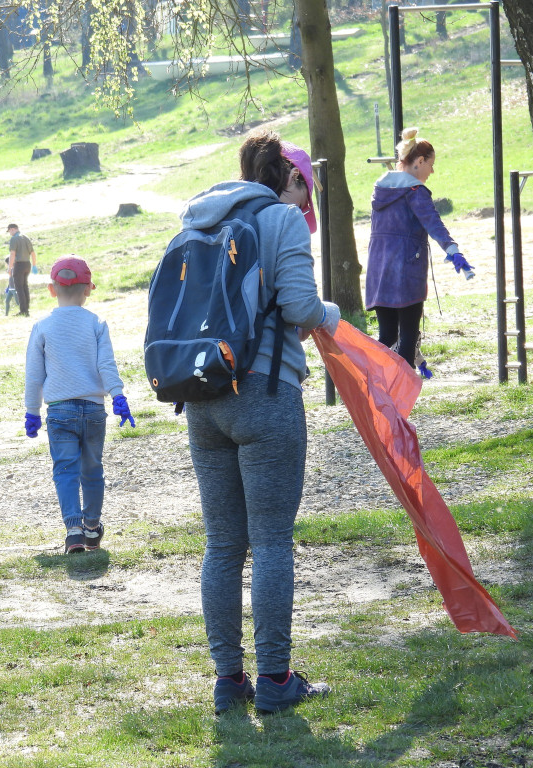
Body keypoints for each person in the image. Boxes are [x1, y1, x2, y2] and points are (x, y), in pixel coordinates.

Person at [178, 128, 337, 716]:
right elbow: (299, 309)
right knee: (271, 540)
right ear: (293, 178)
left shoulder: (199, 218)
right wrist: (334, 313)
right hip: (266, 394)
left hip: (203, 396)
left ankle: (229, 680)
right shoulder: (281, 221)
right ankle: (274, 677)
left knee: (222, 544)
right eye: (306, 188)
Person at [23, 257, 135, 555]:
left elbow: (35, 375)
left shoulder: (42, 327)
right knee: (92, 469)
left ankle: (72, 529)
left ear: (51, 289)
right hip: (94, 410)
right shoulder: (96, 324)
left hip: (59, 411)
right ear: (88, 290)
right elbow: (106, 365)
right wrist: (118, 396)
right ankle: (92, 526)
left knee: (65, 470)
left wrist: (32, 411)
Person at [366, 126, 474, 368]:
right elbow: (433, 222)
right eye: (431, 164)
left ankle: (378, 391)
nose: (432, 171)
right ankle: (399, 398)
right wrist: (453, 250)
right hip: (406, 273)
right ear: (420, 161)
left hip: (379, 272)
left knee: (386, 337)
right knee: (407, 338)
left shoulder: (380, 189)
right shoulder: (415, 191)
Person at [7, 223, 37, 317]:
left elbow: (12, 254)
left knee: (19, 288)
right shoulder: (26, 237)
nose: (10, 233)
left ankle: (23, 311)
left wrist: (10, 267)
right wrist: (34, 265)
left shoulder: (14, 239)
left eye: (9, 231)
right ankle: (26, 309)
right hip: (27, 264)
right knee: (25, 287)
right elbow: (32, 253)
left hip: (19, 265)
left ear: (12, 229)